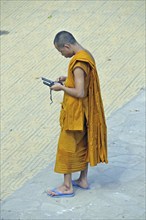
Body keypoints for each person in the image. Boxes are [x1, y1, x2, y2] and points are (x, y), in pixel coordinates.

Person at [47, 31, 108, 197]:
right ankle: (82, 179)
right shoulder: (86, 54)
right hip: (86, 113)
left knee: (65, 148)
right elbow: (82, 82)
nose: (62, 55)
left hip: (76, 115)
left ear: (67, 46)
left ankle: (67, 186)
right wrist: (68, 79)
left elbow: (80, 92)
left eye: (61, 52)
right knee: (82, 146)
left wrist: (61, 87)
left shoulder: (79, 63)